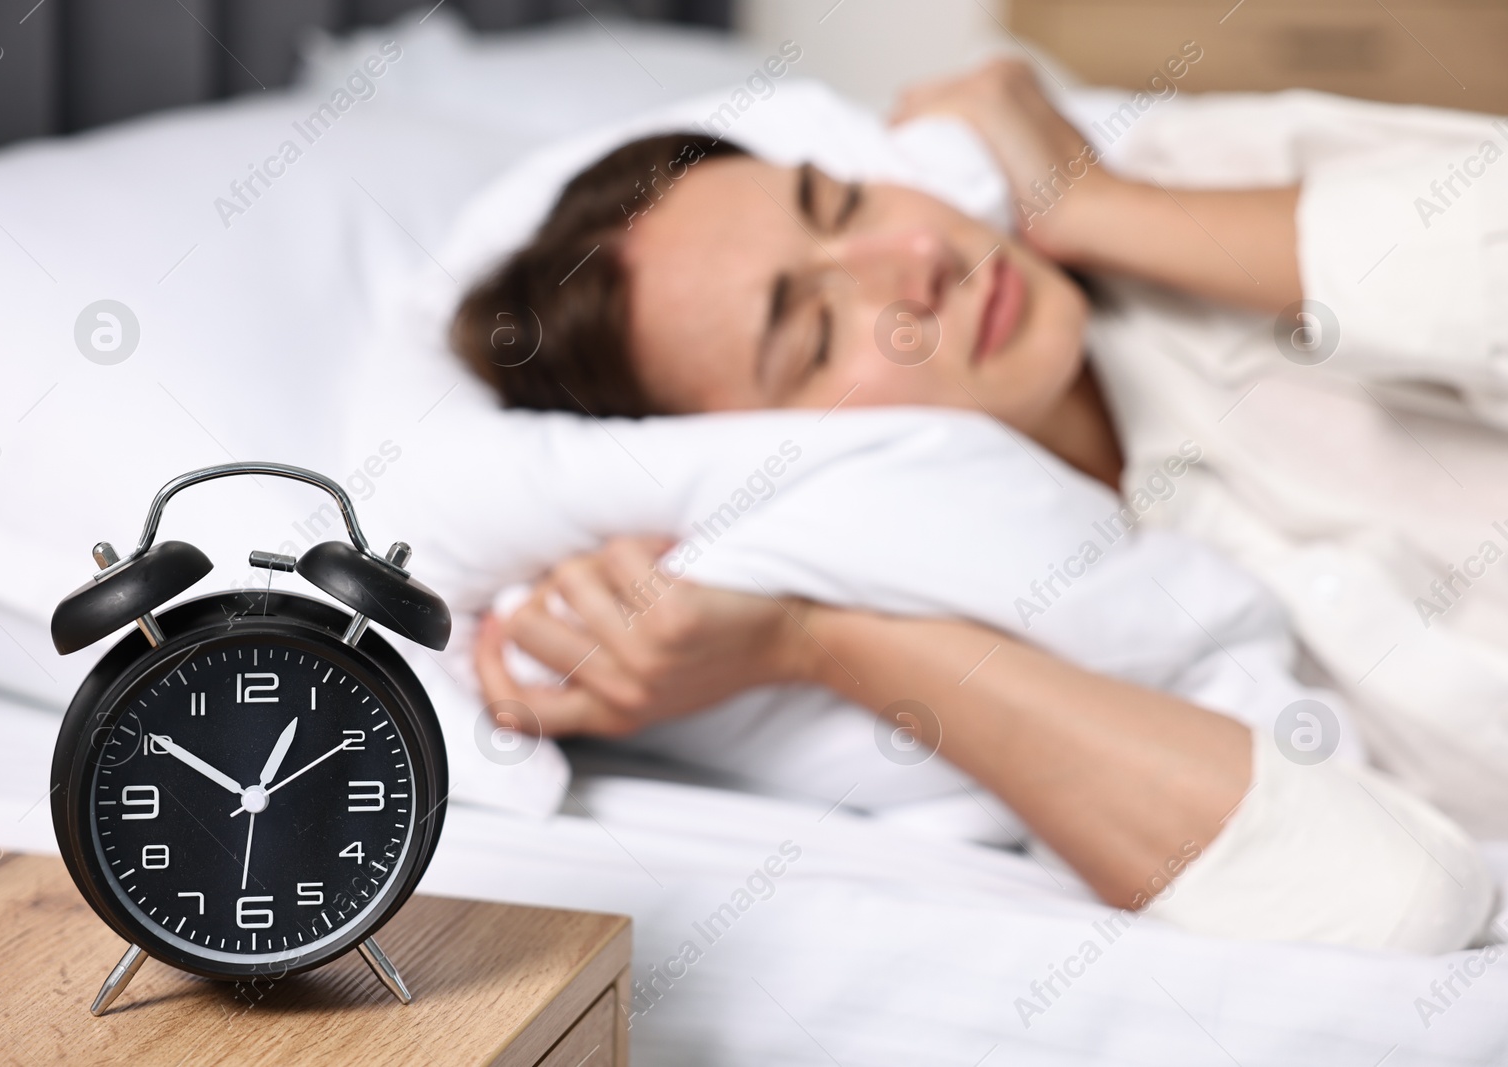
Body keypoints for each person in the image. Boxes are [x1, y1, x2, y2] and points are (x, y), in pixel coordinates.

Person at [451, 60, 1503, 950]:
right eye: (817, 334)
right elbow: (1401, 900)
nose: (914, 260)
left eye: (848, 203)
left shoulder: (1197, 188)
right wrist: (817, 638)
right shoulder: (1061, 623)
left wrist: (1098, 207)